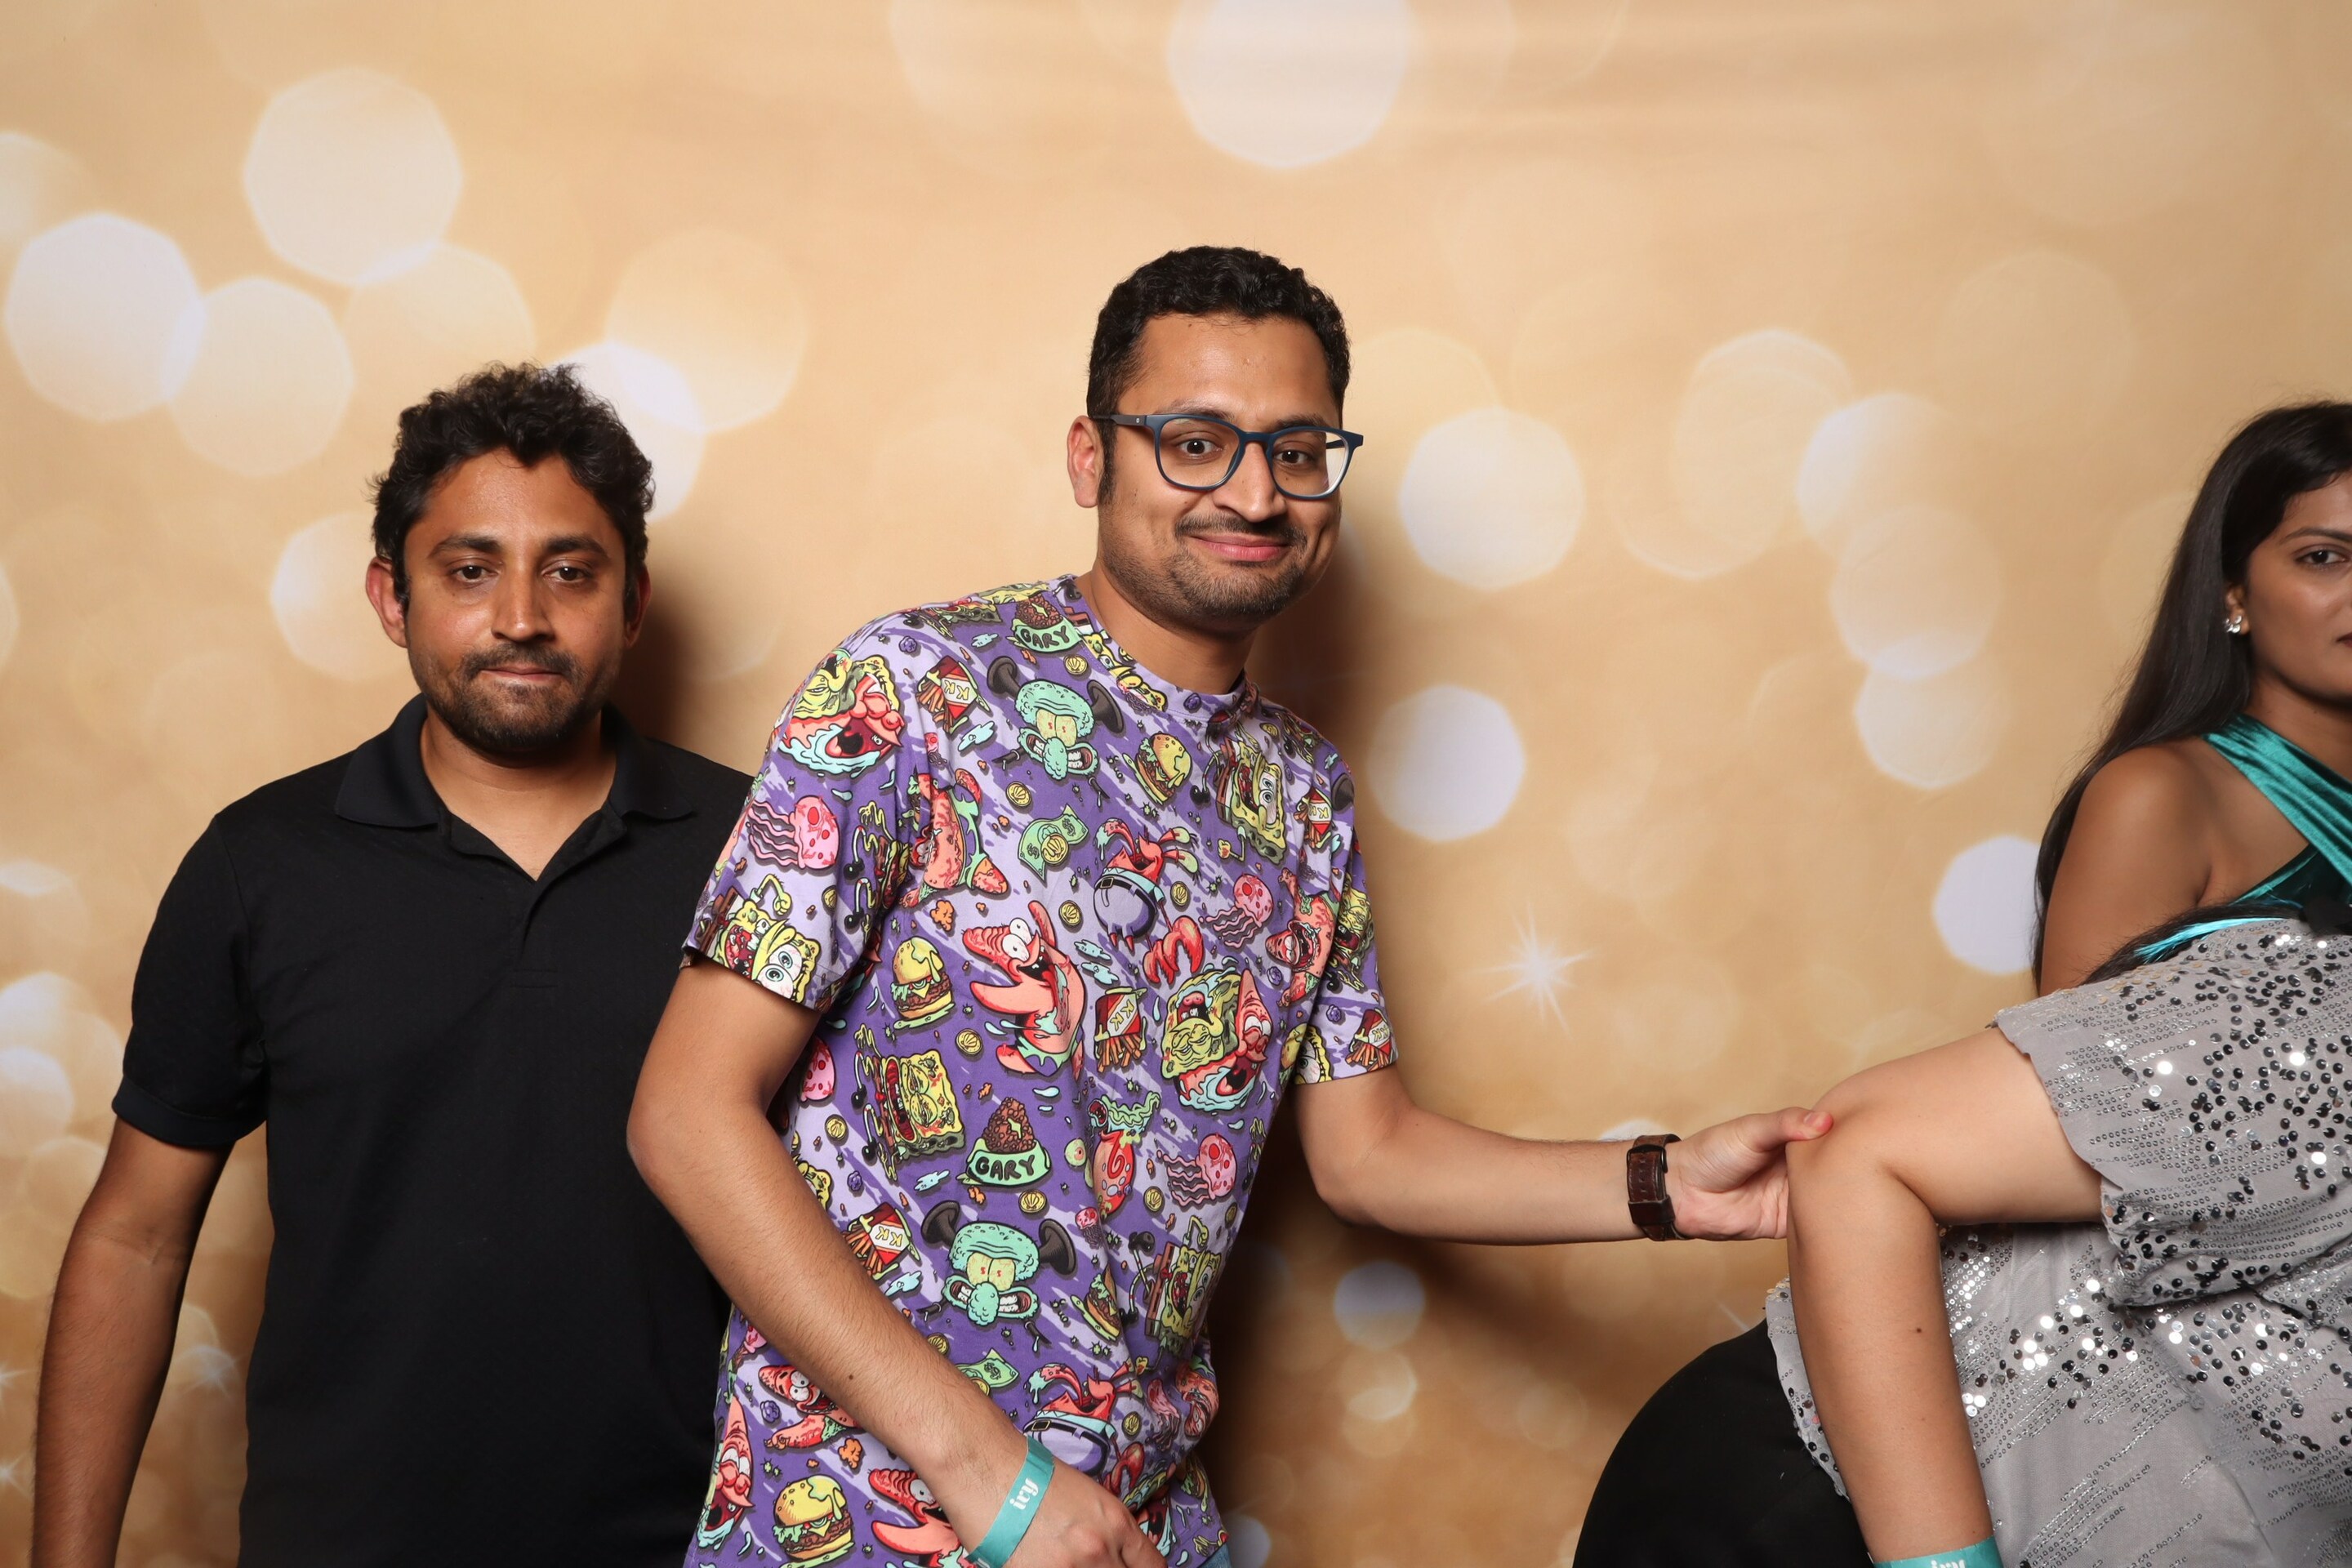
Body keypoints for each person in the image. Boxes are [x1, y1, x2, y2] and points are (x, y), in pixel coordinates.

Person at [626, 246, 1829, 1568]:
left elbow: (1368, 1153)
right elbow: (687, 1113)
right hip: (864, 1504)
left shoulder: (1305, 792)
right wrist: (995, 1480)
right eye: (1196, 443)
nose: (1255, 493)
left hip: (1138, 1514)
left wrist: (1670, 1185)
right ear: (1092, 458)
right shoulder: (910, 691)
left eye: (1297, 451)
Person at [1578, 403, 2352, 1567]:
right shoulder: (2164, 795)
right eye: (2324, 556)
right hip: (1937, 1442)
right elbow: (2087, 1139)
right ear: (2234, 593)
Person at [34, 364, 746, 1568]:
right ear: (390, 596)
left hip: (701, 1543)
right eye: (469, 570)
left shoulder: (763, 854)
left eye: (570, 572)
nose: (520, 617)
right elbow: (135, 1239)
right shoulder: (262, 866)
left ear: (632, 604)